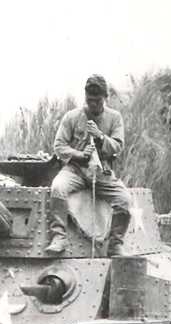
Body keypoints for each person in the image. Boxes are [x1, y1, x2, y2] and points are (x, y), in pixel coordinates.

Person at [46, 74, 132, 255]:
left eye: (97, 100)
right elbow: (59, 146)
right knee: (57, 187)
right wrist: (78, 154)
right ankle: (59, 236)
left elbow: (118, 145)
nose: (93, 104)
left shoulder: (114, 118)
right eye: (89, 100)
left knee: (124, 199)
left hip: (101, 172)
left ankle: (115, 243)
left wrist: (101, 137)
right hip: (75, 170)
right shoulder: (72, 117)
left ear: (105, 98)